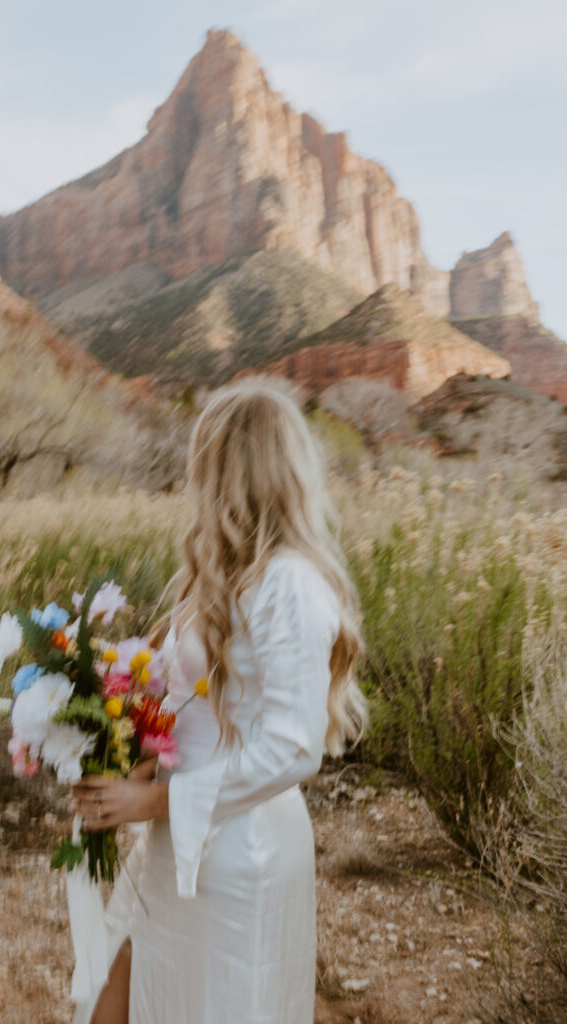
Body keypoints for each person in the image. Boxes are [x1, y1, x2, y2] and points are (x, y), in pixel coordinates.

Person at [70, 377, 369, 1024]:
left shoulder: (289, 583)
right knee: (115, 1001)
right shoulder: (218, 578)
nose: (192, 480)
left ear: (233, 472)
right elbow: (189, 700)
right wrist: (122, 752)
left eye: (202, 462)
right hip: (175, 835)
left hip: (240, 849)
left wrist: (151, 800)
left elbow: (292, 748)